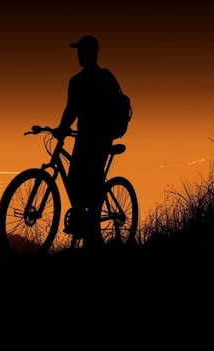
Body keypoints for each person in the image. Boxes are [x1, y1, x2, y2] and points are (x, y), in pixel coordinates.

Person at [54, 35, 124, 250]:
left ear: (89, 53)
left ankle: (93, 236)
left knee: (89, 181)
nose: (78, 55)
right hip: (91, 136)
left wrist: (62, 129)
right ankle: (85, 227)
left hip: (97, 137)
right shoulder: (95, 78)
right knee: (77, 179)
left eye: (80, 51)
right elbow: (72, 110)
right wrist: (63, 128)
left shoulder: (87, 79)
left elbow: (71, 109)